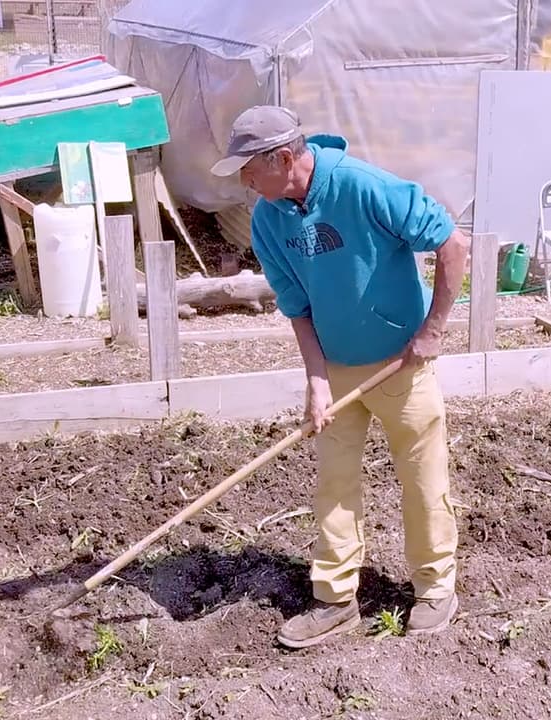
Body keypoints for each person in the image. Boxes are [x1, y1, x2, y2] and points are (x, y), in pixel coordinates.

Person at [211, 106, 470, 648]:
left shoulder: (364, 187)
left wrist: (433, 330)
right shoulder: (267, 217)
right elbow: (296, 305)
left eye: (250, 168)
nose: (244, 181)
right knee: (334, 484)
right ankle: (335, 599)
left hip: (402, 361)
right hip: (336, 368)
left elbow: (452, 242)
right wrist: (316, 380)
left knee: (422, 479)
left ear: (284, 158)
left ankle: (434, 587)